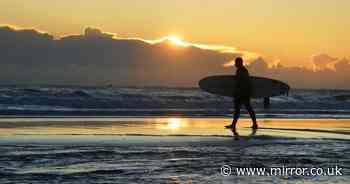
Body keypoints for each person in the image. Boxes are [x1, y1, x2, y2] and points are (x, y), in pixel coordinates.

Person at [225, 57, 258, 130]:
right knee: (241, 109)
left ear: (239, 63)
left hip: (242, 93)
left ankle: (254, 124)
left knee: (246, 109)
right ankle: (234, 124)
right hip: (243, 93)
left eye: (236, 62)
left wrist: (238, 92)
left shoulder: (242, 71)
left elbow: (242, 83)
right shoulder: (241, 70)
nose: (235, 64)